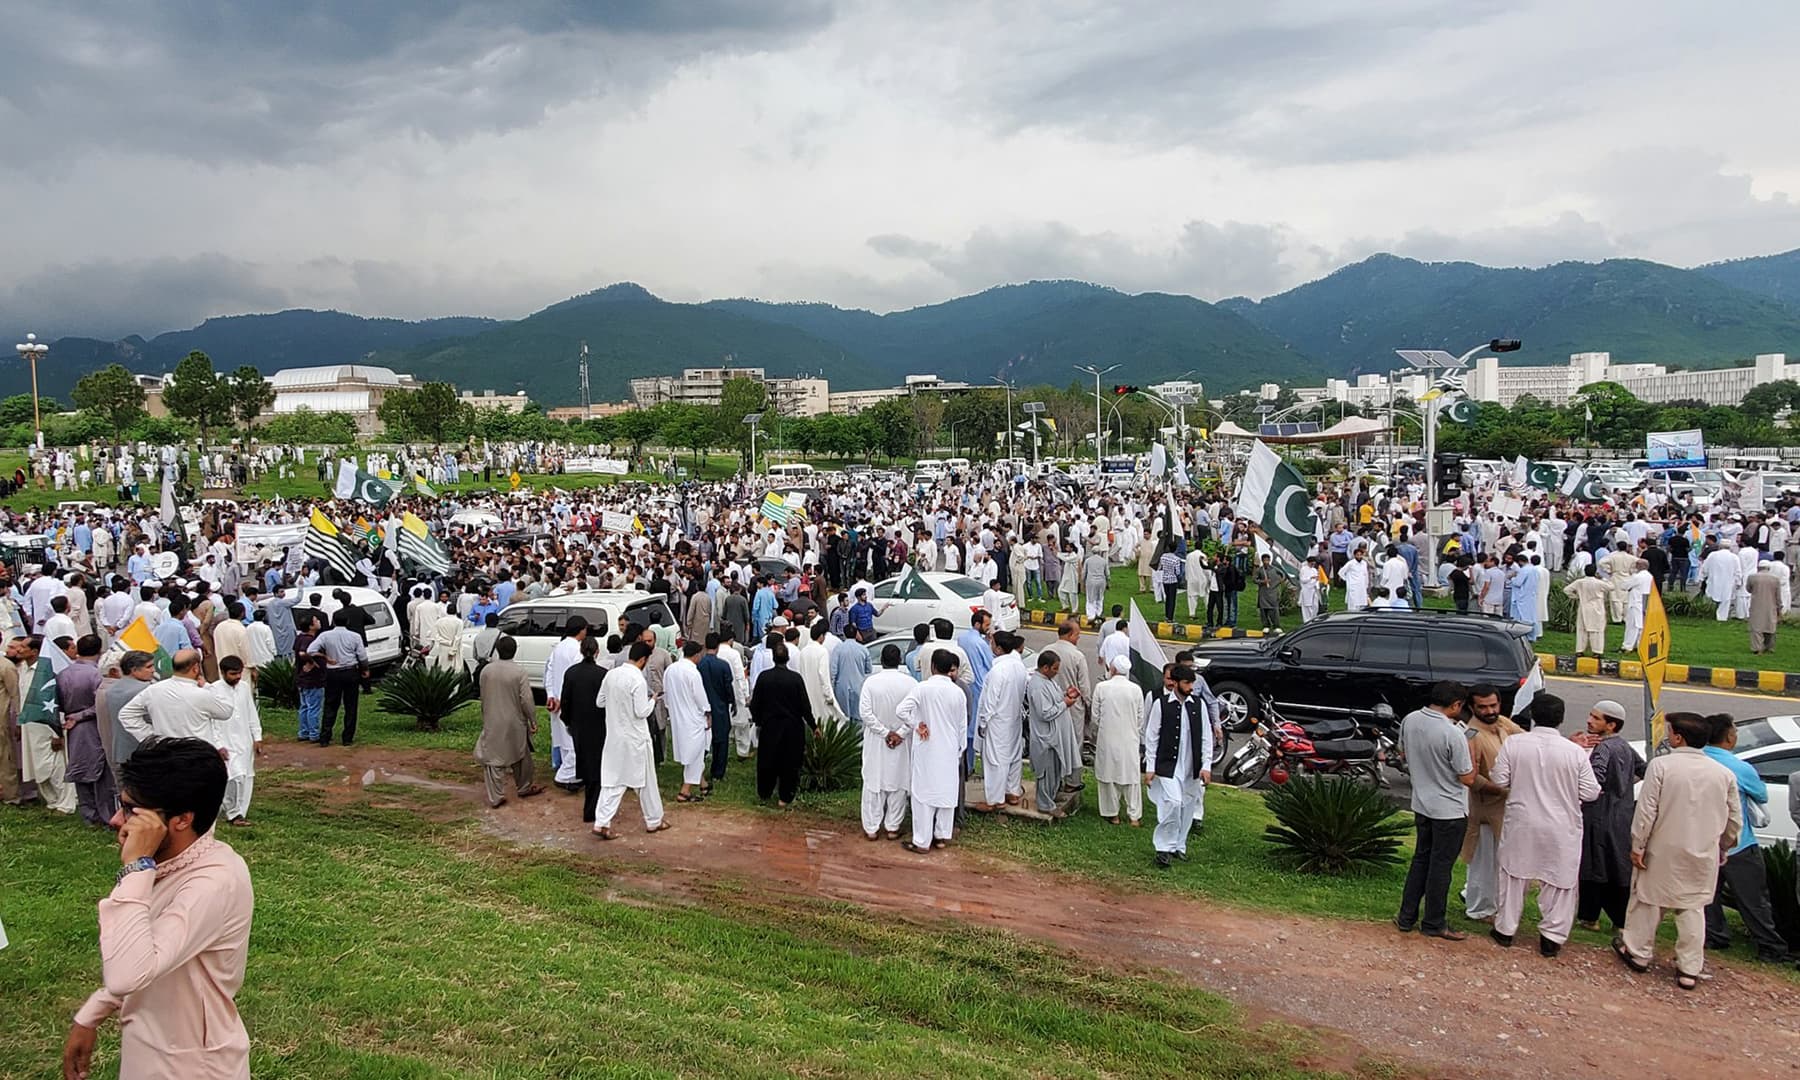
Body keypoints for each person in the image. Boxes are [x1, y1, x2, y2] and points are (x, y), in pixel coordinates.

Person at [63, 737, 254, 1080]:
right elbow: (144, 948)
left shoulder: (213, 883)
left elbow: (126, 973)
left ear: (181, 820)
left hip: (190, 1065)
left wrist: (135, 866)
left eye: (132, 811)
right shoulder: (169, 863)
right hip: (152, 1048)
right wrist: (91, 1014)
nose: (115, 820)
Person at [1617, 712, 1742, 990]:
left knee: (1647, 901)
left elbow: (1646, 810)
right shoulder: (1723, 774)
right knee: (1692, 907)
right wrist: (1724, 845)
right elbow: (1734, 819)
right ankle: (1688, 969)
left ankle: (1638, 953)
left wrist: (1638, 844)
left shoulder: (1661, 766)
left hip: (1662, 847)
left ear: (1677, 737)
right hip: (1702, 850)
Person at [1489, 691, 1600, 956]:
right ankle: (1551, 937)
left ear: (1533, 716)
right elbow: (1590, 792)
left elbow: (1499, 779)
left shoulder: (1515, 744)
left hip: (1522, 821)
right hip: (1562, 825)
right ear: (1560, 719)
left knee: (1513, 875)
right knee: (1560, 881)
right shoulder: (1575, 753)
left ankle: (1505, 929)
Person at [1700, 714, 1791, 964]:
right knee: (1753, 900)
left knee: (1708, 895)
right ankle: (1770, 947)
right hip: (1739, 844)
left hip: (1703, 842)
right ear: (1729, 737)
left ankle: (1714, 936)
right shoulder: (1738, 767)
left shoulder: (1698, 761)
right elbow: (1761, 795)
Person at [1395, 681, 1476, 940]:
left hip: (1422, 803)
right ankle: (1434, 922)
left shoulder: (1410, 719)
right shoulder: (1453, 734)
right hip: (1450, 810)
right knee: (1441, 868)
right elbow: (1467, 778)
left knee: (1421, 860)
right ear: (1456, 705)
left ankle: (1406, 917)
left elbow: (1403, 753)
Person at [1572, 699, 1639, 933]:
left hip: (1599, 816)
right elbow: (1643, 769)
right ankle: (1621, 920)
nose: (1589, 720)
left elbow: (1595, 780)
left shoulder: (1604, 748)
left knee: (1593, 867)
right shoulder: (1624, 746)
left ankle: (1590, 917)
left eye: (1596, 718)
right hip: (1621, 816)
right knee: (1617, 868)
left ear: (1611, 725)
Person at [1459, 684, 1520, 923]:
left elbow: (1528, 741)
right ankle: (1479, 908)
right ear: (1472, 708)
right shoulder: (1471, 734)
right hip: (1485, 808)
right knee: (1483, 861)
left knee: (1500, 861)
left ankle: (1486, 901)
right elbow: (1471, 778)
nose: (1489, 710)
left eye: (1493, 705)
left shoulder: (1503, 723)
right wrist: (1504, 789)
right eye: (1483, 707)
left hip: (1507, 808)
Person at [594, 641, 667, 839]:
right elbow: (641, 711)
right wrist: (653, 699)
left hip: (615, 738)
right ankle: (654, 820)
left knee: (613, 781)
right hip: (636, 739)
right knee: (645, 781)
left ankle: (602, 821)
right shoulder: (637, 680)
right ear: (643, 660)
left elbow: (600, 702)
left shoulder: (611, 674)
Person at [895, 649, 965, 853]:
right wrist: (960, 749)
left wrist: (917, 724)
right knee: (946, 792)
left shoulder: (922, 688)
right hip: (950, 748)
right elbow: (962, 725)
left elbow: (901, 711)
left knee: (923, 794)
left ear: (933, 667)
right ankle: (942, 836)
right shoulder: (957, 692)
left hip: (927, 747)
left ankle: (922, 841)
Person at [1143, 663, 1212, 868]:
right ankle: (1163, 847)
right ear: (1176, 683)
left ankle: (1179, 846)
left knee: (1187, 806)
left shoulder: (1198, 705)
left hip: (1191, 766)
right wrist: (1150, 767)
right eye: (1187, 682)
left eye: (1192, 682)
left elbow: (1206, 736)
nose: (1191, 687)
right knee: (1172, 802)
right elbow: (1152, 736)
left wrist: (1206, 765)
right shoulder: (1161, 704)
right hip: (1168, 766)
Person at [474, 636, 544, 808]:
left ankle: (496, 796)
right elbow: (526, 699)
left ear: (497, 649)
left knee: (494, 759)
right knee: (522, 753)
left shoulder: (486, 671)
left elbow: (482, 695)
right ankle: (524, 786)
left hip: (492, 718)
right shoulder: (519, 672)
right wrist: (532, 719)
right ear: (515, 650)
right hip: (515, 720)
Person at [857, 643, 915, 841]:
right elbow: (915, 714)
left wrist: (884, 732)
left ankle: (871, 827)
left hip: (877, 739)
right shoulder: (910, 683)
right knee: (898, 782)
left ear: (881, 661)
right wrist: (899, 733)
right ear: (899, 661)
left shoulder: (871, 683)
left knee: (874, 781)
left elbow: (865, 713)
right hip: (900, 741)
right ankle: (892, 826)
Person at [749, 641, 814, 807]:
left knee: (767, 761)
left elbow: (755, 703)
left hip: (770, 726)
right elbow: (805, 706)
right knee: (790, 763)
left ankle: (765, 792)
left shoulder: (764, 677)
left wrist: (758, 721)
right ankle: (785, 797)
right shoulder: (795, 679)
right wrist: (814, 726)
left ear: (773, 658)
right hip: (792, 729)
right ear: (788, 658)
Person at [972, 630, 1028, 811]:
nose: (990, 646)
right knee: (1012, 756)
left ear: (998, 648)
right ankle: (1012, 792)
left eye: (992, 643)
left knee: (995, 760)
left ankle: (995, 800)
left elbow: (990, 701)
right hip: (1013, 718)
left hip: (997, 721)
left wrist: (983, 723)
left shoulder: (998, 671)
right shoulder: (1019, 666)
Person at [1024, 650, 1082, 818]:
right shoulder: (1037, 686)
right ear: (1045, 667)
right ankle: (1045, 804)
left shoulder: (1048, 681)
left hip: (1055, 736)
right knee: (1046, 771)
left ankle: (1052, 795)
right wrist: (1065, 704)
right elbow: (1045, 713)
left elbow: (1055, 699)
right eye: (1055, 669)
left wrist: (1066, 695)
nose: (1057, 672)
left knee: (1055, 769)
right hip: (1045, 737)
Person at [1092, 655, 1145, 826]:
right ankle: (1134, 816)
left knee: (1108, 776)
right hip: (1130, 739)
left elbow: (1095, 717)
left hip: (1107, 738)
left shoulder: (1101, 687)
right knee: (1131, 777)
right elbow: (1140, 719)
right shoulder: (1136, 689)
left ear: (1112, 669)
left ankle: (1112, 814)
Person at [213, 655, 264, 827]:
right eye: (233, 674)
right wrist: (217, 744)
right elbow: (211, 721)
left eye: (239, 673)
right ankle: (232, 812)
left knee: (246, 777)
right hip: (224, 742)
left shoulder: (243, 687)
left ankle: (239, 813)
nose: (237, 677)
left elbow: (251, 713)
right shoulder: (212, 691)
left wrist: (257, 737)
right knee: (233, 777)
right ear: (223, 672)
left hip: (244, 740)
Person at [562, 634, 609, 822]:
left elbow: (565, 699)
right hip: (598, 725)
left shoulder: (571, 673)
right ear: (597, 652)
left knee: (584, 760)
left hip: (578, 724)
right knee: (596, 766)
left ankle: (592, 805)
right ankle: (593, 808)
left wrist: (567, 721)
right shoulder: (602, 674)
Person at [307, 611, 369, 747]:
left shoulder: (325, 635)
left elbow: (310, 650)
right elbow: (362, 656)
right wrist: (365, 670)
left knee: (330, 705)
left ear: (333, 622)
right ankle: (347, 738)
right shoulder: (355, 636)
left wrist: (325, 657)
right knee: (351, 706)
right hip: (350, 672)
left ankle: (325, 737)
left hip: (332, 673)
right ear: (347, 622)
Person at [542, 615, 589, 791]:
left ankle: (571, 775)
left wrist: (550, 694)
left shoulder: (558, 648)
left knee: (562, 740)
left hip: (557, 700)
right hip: (569, 702)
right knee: (573, 742)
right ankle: (565, 776)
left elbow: (549, 671)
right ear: (581, 630)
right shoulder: (577, 650)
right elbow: (577, 677)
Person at [666, 640, 713, 802]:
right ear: (697, 655)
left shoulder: (671, 669)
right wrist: (708, 712)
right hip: (693, 718)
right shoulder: (692, 672)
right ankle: (685, 790)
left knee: (691, 751)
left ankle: (703, 784)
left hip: (677, 716)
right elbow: (700, 697)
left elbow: (667, 694)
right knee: (696, 753)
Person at [696, 634, 735, 786]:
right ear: (718, 646)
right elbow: (728, 687)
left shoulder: (699, 664)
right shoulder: (723, 665)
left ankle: (698, 769)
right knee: (721, 741)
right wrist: (731, 701)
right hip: (720, 707)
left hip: (702, 708)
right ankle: (718, 772)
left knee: (703, 741)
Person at [1562, 565, 1611, 657]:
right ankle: (1597, 651)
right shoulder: (1599, 583)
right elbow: (1611, 587)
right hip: (1597, 607)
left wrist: (1576, 597)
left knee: (1582, 629)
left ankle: (1579, 650)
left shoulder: (1580, 582)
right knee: (1597, 629)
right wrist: (1603, 578)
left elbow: (1566, 590)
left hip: (1584, 606)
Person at [1747, 557, 1782, 653]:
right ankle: (1769, 647)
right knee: (1770, 626)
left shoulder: (1752, 577)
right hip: (1771, 605)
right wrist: (1780, 606)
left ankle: (1757, 648)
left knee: (1756, 627)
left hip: (1756, 605)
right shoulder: (1775, 579)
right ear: (1769, 568)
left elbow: (1748, 589)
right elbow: (1778, 595)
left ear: (1758, 567)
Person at [1252, 553, 1281, 631]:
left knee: (1274, 610)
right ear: (1262, 561)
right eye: (1264, 560)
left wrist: (1277, 583)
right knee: (1264, 609)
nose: (1266, 562)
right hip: (1263, 592)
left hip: (1273, 592)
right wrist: (1262, 582)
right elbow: (1254, 580)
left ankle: (1276, 626)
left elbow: (1283, 575)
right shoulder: (1260, 570)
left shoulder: (1274, 569)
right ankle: (1266, 625)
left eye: (1267, 560)